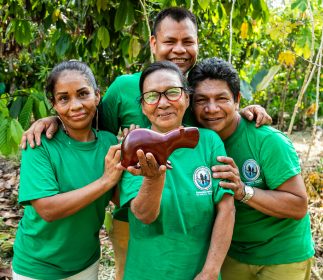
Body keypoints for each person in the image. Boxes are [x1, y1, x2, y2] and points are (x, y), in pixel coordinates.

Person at [19, 8, 272, 279]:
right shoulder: (122, 88)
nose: (179, 50)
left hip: (195, 219)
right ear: (153, 43)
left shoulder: (201, 88)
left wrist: (245, 111)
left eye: (187, 41)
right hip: (135, 220)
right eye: (169, 41)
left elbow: (220, 106)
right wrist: (53, 120)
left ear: (186, 97)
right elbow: (87, 127)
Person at [188, 57, 315, 280]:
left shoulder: (267, 140)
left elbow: (298, 206)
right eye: (201, 100)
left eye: (221, 98)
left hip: (282, 255)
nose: (211, 108)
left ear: (237, 100)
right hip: (233, 254)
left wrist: (243, 191)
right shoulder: (193, 140)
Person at [118, 60, 235, 280]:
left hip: (200, 274)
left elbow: (227, 209)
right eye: (152, 96)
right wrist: (153, 178)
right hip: (146, 273)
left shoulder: (209, 141)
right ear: (143, 106)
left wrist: (210, 272)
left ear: (187, 97)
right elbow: (144, 215)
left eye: (172, 92)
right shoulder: (134, 146)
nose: (162, 103)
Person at [13, 61, 123, 280]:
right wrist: (105, 181)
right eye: (64, 98)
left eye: (83, 94)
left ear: (97, 95)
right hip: (38, 266)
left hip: (86, 262)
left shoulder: (109, 142)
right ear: (53, 104)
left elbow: (120, 198)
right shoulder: (39, 144)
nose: (75, 106)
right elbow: (48, 209)